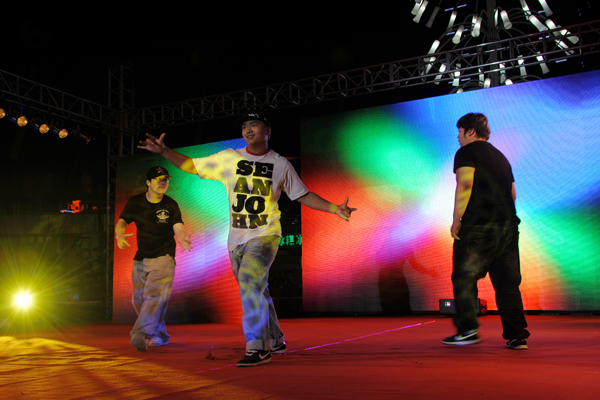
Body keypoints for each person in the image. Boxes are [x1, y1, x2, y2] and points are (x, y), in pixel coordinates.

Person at [138, 110, 356, 366]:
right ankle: (275, 340)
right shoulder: (229, 158)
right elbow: (192, 166)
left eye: (254, 124)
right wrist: (164, 151)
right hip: (236, 240)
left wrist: (334, 208)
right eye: (244, 126)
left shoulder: (280, 164)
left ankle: (257, 347)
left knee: (249, 283)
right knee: (257, 290)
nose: (248, 129)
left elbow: (302, 194)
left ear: (268, 131)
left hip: (265, 235)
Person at [442, 113, 530, 349]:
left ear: (470, 131)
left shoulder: (466, 152)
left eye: (460, 132)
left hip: (478, 225)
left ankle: (468, 330)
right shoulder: (501, 157)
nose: (458, 137)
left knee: (464, 277)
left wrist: (457, 219)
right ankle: (517, 336)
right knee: (507, 283)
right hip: (508, 226)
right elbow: (512, 194)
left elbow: (465, 183)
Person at [116, 166, 193, 351]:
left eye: (165, 180)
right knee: (138, 300)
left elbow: (178, 227)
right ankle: (160, 334)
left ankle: (141, 334)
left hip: (164, 256)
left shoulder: (170, 204)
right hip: (141, 258)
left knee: (154, 297)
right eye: (159, 179)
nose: (163, 183)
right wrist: (119, 234)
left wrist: (182, 238)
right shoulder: (136, 202)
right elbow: (122, 220)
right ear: (148, 182)